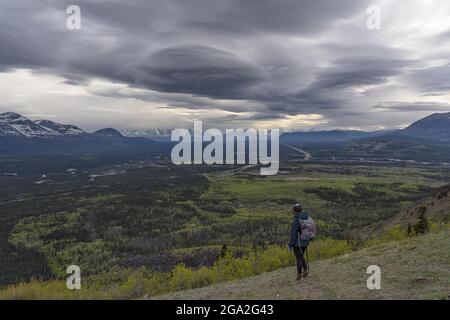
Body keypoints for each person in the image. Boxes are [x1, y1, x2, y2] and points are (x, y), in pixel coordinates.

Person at [288, 203, 311, 281]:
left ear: (295, 211)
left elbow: (293, 234)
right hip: (305, 241)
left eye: (293, 210)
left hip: (298, 243)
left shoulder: (296, 221)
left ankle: (299, 275)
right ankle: (305, 271)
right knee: (301, 256)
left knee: (298, 258)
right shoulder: (306, 217)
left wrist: (290, 245)